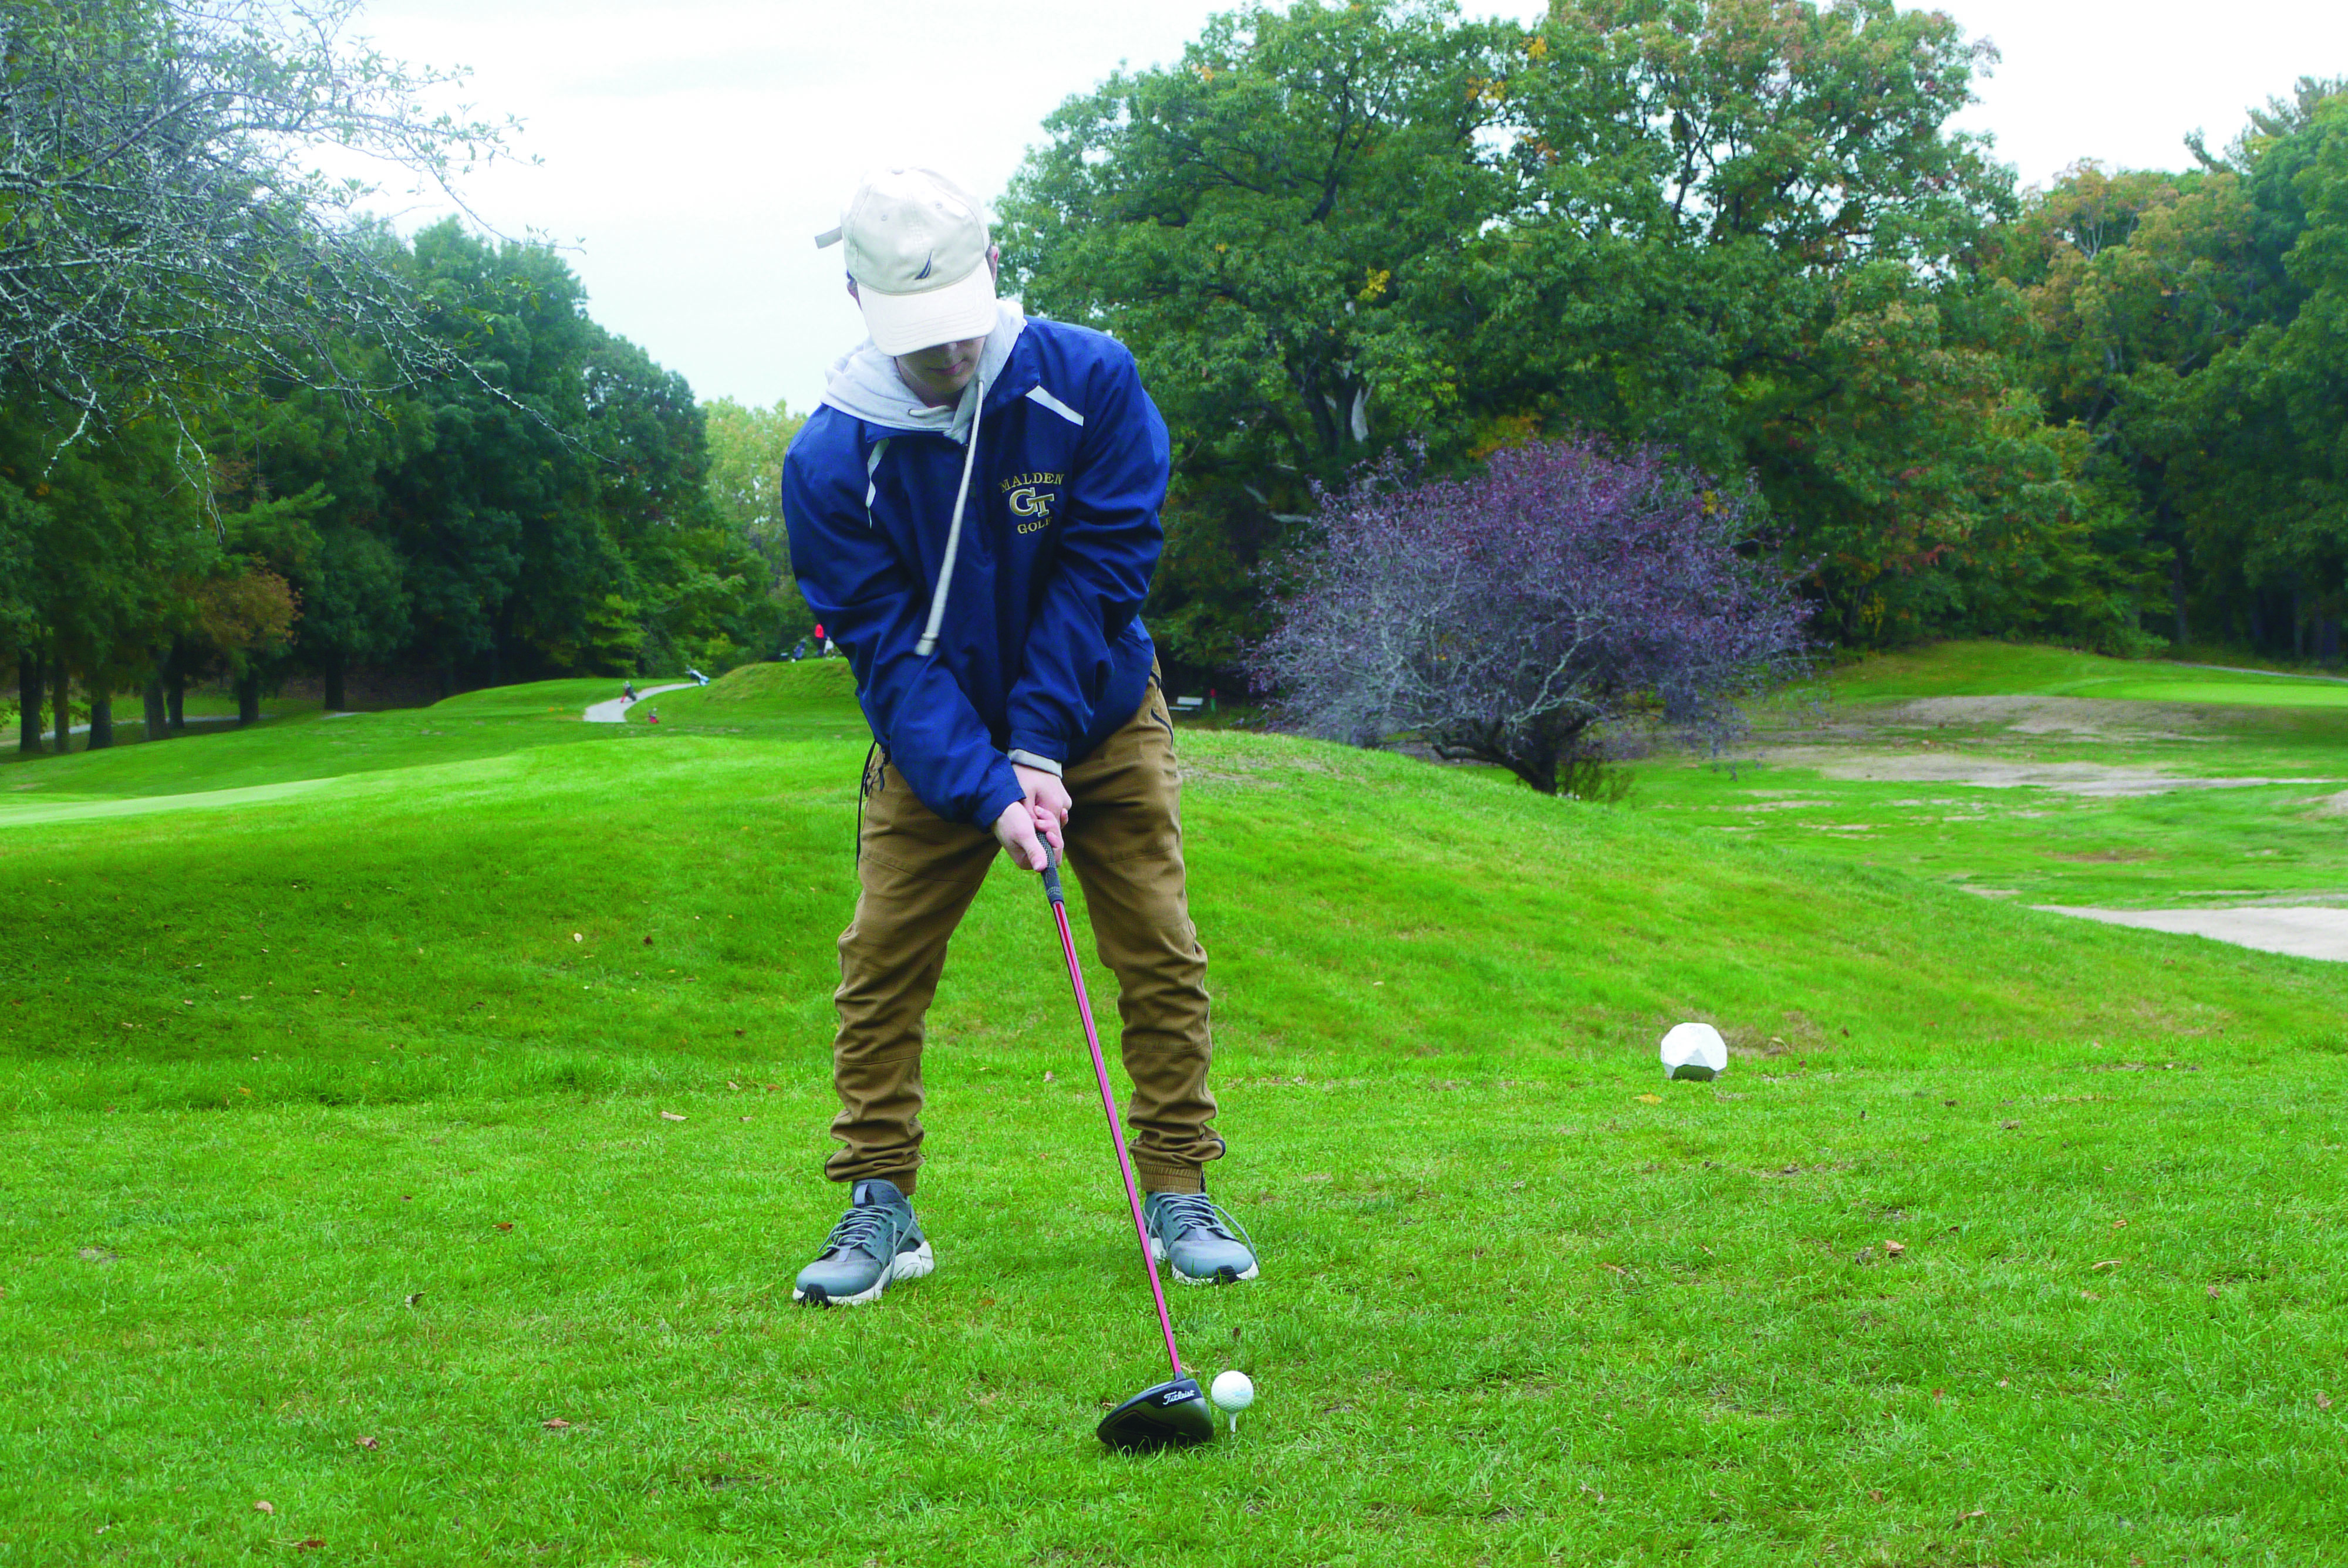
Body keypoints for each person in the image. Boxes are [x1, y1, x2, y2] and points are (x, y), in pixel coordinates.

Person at [780, 166, 1254, 1307]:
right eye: (914, 338)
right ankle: (879, 1202)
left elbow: (1101, 575)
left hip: (1098, 712)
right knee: (878, 963)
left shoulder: (1085, 379)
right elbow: (890, 657)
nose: (943, 360)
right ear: (855, 296)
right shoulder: (829, 463)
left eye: (954, 332)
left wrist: (1037, 747)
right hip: (932, 743)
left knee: (1157, 945)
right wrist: (988, 788)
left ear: (992, 271)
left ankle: (1177, 1186)